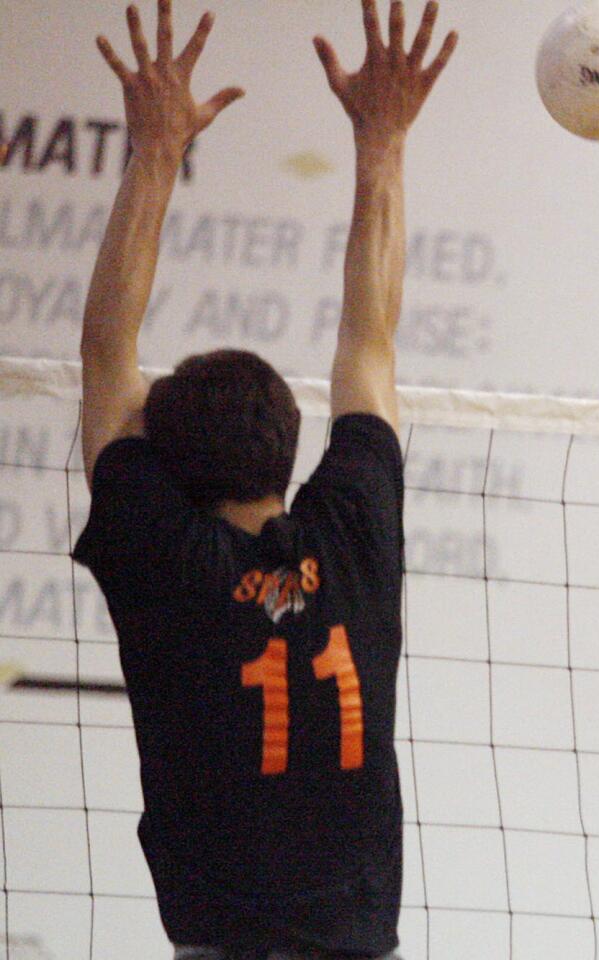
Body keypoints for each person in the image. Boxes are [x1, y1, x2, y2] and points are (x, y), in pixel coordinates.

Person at [71, 1, 456, 956]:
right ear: (290, 441)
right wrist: (383, 140)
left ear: (167, 463)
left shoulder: (166, 557)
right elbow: (370, 339)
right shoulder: (355, 534)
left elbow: (104, 355)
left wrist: (157, 153)